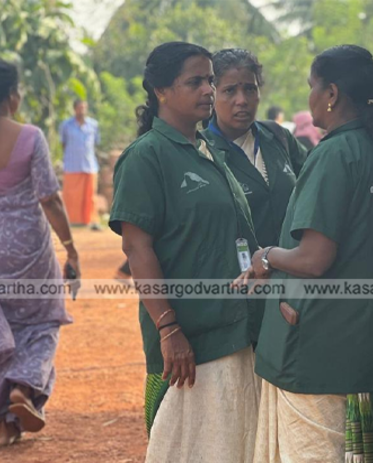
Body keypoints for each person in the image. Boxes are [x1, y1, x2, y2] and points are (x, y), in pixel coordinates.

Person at [247, 45, 373, 462]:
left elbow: (314, 259)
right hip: (372, 340)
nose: (310, 98)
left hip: (323, 347)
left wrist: (266, 256)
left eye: (312, 87)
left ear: (332, 92)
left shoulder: (335, 153)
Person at [109, 42, 260, 462]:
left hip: (237, 330)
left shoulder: (208, 151)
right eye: (195, 81)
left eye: (210, 80)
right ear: (160, 90)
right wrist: (169, 329)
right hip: (192, 342)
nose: (208, 90)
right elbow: (137, 249)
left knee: (232, 447)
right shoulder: (145, 158)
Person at [0, 58, 79, 447]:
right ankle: (24, 389)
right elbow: (50, 198)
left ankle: (5, 420)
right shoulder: (29, 136)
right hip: (28, 248)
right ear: (12, 97)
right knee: (43, 321)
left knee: (1, 330)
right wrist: (70, 246)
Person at [204, 48, 307, 248]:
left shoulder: (278, 137)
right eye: (230, 90)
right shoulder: (202, 151)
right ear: (212, 95)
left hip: (293, 271)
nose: (242, 100)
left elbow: (314, 183)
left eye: (250, 89)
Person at [59, 99, 101, 229]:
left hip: (89, 165)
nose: (82, 110)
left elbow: (96, 143)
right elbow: (63, 143)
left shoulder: (93, 125)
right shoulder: (66, 125)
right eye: (79, 108)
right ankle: (71, 221)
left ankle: (90, 221)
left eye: (84, 108)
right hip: (72, 166)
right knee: (71, 195)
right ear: (74, 109)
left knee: (90, 196)